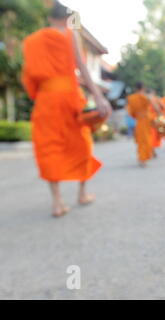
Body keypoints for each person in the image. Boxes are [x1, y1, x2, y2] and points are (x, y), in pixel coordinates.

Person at [21, 1, 112, 218]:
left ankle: (57, 202)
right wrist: (98, 96)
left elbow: (28, 76)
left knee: (49, 147)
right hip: (70, 98)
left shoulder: (32, 41)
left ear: (50, 18)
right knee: (81, 143)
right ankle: (82, 193)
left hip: (46, 101)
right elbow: (80, 66)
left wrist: (39, 92)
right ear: (67, 18)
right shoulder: (70, 34)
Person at [127, 82, 156, 167]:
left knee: (141, 140)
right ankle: (143, 159)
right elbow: (154, 106)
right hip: (146, 120)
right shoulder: (145, 97)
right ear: (143, 88)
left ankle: (142, 158)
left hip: (139, 120)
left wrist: (137, 116)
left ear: (135, 88)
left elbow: (131, 112)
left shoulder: (131, 98)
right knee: (146, 140)